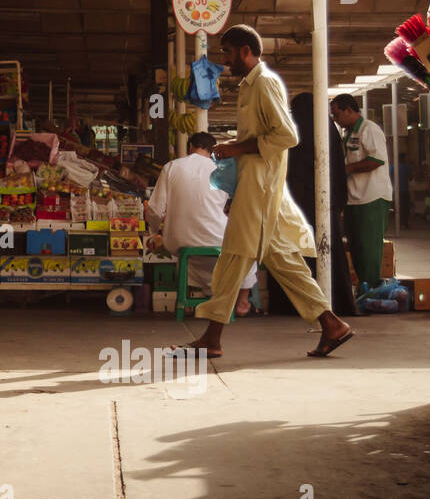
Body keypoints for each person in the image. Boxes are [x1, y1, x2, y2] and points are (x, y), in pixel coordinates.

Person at [171, 25, 354, 359]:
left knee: (233, 256)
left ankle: (213, 336)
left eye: (227, 52)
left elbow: (287, 136)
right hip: (259, 185)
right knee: (282, 259)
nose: (224, 60)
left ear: (245, 50)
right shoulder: (250, 86)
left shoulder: (264, 83)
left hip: (262, 186)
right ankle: (331, 323)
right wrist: (237, 151)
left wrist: (237, 147)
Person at [147, 131, 257, 316]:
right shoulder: (224, 169)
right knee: (247, 254)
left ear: (191, 147)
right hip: (219, 240)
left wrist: (154, 231)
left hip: (179, 240)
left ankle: (189, 298)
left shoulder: (171, 167)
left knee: (185, 257)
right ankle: (242, 302)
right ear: (213, 149)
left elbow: (155, 209)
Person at [275, 92, 358, 316]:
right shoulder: (327, 130)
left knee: (296, 251)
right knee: (328, 251)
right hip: (324, 203)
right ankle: (334, 301)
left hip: (296, 205)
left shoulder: (293, 131)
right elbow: (338, 169)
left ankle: (293, 305)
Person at [329, 94, 393, 289]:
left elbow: (376, 160)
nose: (335, 119)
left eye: (337, 114)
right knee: (356, 249)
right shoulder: (347, 134)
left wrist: (346, 169)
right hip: (353, 200)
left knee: (368, 249)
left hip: (371, 198)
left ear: (349, 110)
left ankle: (371, 290)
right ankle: (363, 289)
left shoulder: (369, 130)